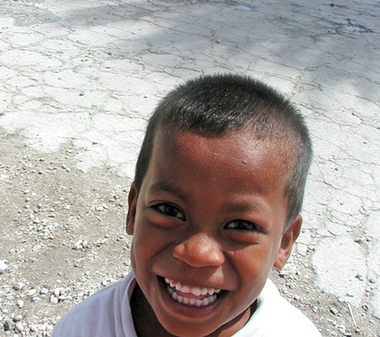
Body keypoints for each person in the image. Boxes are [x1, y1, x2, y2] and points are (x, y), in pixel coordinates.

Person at [52, 74, 321, 336]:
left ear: (284, 243)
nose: (197, 254)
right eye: (170, 210)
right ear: (133, 210)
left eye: (241, 225)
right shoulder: (83, 327)